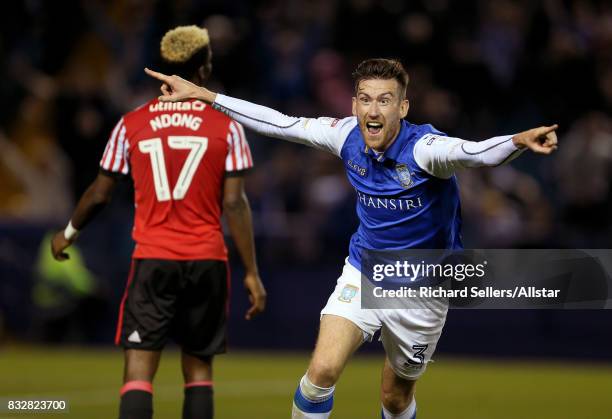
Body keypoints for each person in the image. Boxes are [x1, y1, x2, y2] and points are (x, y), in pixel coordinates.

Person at [144, 58, 558, 419]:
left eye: (384, 100)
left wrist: (518, 141)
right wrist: (204, 95)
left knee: (395, 399)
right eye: (365, 99)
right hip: (365, 272)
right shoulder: (345, 136)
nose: (373, 110)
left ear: (403, 107)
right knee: (321, 371)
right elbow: (279, 122)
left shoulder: (426, 150)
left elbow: (474, 152)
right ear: (354, 103)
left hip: (423, 288)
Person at [51, 26, 266, 419]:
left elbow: (100, 193)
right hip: (206, 261)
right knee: (199, 370)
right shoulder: (227, 127)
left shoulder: (131, 124)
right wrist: (251, 271)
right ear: (201, 72)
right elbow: (235, 206)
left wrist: (68, 234)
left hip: (153, 259)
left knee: (137, 372)